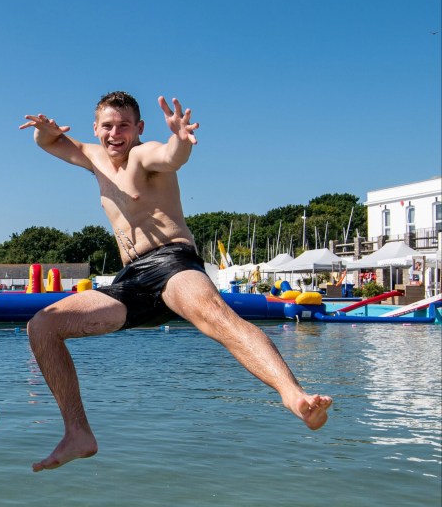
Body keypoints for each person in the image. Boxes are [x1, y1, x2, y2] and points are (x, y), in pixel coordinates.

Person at [19, 91, 331, 472]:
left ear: (139, 129)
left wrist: (181, 139)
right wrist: (45, 131)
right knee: (42, 326)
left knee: (217, 318)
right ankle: (78, 432)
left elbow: (170, 157)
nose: (115, 134)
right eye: (108, 126)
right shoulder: (93, 157)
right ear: (96, 129)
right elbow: (50, 143)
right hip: (130, 281)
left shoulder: (142, 154)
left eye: (124, 126)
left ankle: (294, 397)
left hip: (172, 263)